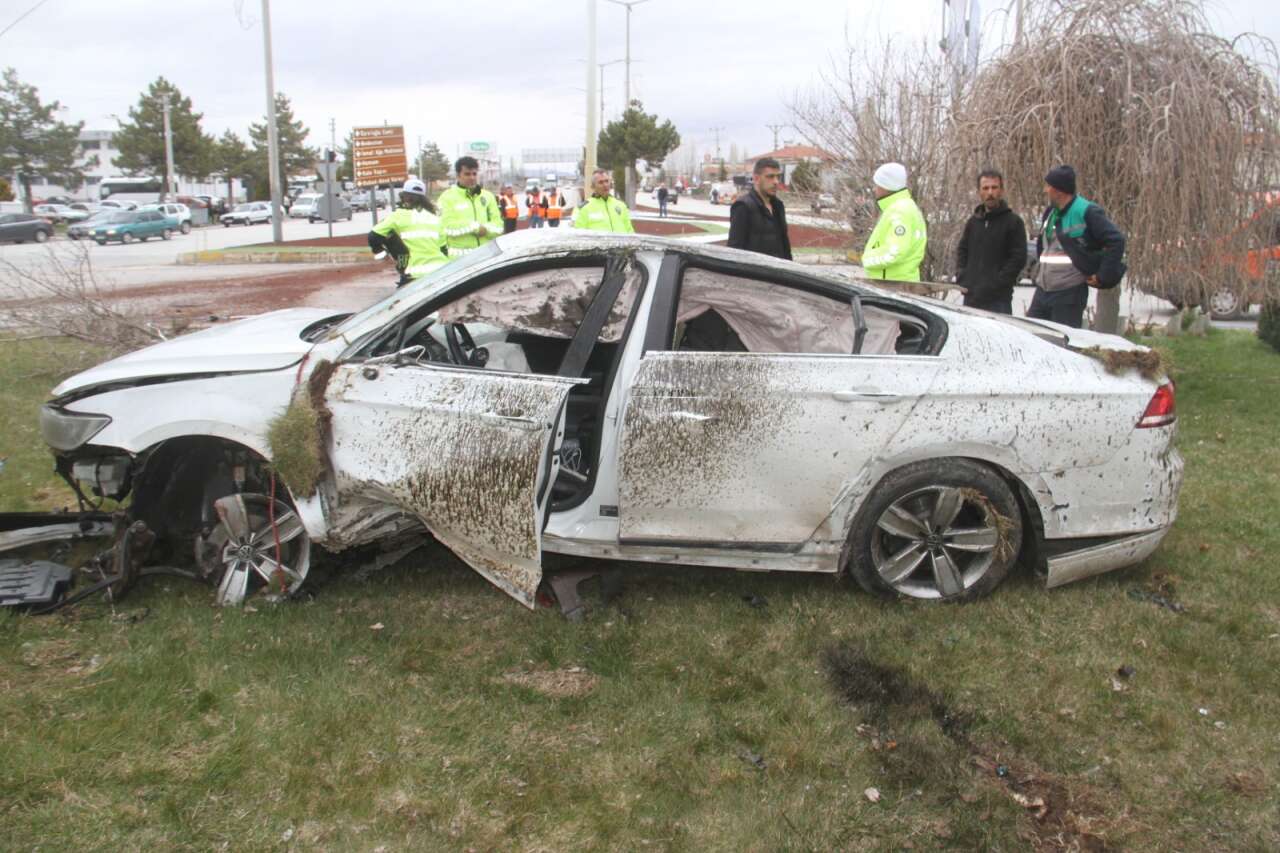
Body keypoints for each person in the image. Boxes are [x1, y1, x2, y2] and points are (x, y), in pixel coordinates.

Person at [1028, 165, 1126, 328]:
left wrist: (1103, 276)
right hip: (1043, 289)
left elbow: (1116, 240)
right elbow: (1044, 246)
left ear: (1059, 190)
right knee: (1032, 335)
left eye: (1048, 186)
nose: (1045, 190)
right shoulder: (1051, 213)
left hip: (1069, 293)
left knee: (1061, 344)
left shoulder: (1086, 211)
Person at [955, 169, 1027, 314]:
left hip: (998, 301)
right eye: (985, 188)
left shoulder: (1013, 222)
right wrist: (962, 276)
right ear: (979, 191)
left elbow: (1018, 258)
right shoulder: (973, 222)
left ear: (1001, 190)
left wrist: (996, 284)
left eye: (994, 188)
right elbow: (962, 250)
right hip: (971, 298)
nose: (990, 193)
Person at [366, 178, 448, 287]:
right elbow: (443, 249)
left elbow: (373, 236)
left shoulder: (398, 216)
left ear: (404, 197)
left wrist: (380, 251)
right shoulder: (435, 218)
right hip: (441, 271)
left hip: (414, 274)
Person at [861, 162, 927, 281]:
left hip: (893, 284)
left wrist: (867, 259)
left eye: (878, 185)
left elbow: (895, 251)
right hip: (895, 282)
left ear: (887, 186)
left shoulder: (900, 211)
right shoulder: (901, 207)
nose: (875, 189)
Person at [727, 157, 792, 260]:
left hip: (778, 273)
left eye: (778, 177)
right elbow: (734, 251)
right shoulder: (743, 207)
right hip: (753, 274)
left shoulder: (778, 206)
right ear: (756, 179)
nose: (776, 182)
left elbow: (785, 247)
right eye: (770, 177)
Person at [437, 156, 503, 256]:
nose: (472, 177)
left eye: (474, 174)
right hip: (458, 259)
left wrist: (485, 229)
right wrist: (475, 227)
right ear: (458, 175)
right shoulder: (446, 197)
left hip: (486, 256)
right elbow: (447, 226)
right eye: (467, 174)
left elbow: (499, 226)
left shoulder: (488, 196)